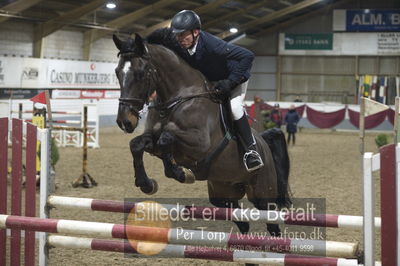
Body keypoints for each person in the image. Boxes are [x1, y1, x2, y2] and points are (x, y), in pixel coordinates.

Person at [162, 10, 263, 172]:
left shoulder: (213, 45)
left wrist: (230, 82)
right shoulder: (180, 44)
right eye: (177, 35)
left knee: (235, 108)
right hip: (212, 78)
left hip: (235, 76)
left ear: (196, 32)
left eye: (183, 35)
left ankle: (251, 151)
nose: (180, 39)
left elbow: (248, 56)